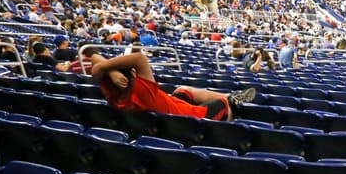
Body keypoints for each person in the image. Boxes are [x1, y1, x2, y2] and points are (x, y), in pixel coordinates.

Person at [92, 50, 253, 121]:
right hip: (192, 117)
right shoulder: (143, 94)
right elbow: (139, 58)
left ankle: (231, 96)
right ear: (132, 76)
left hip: (172, 107)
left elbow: (92, 55)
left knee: (183, 90)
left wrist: (110, 71)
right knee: (223, 104)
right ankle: (231, 103)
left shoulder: (113, 94)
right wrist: (108, 69)